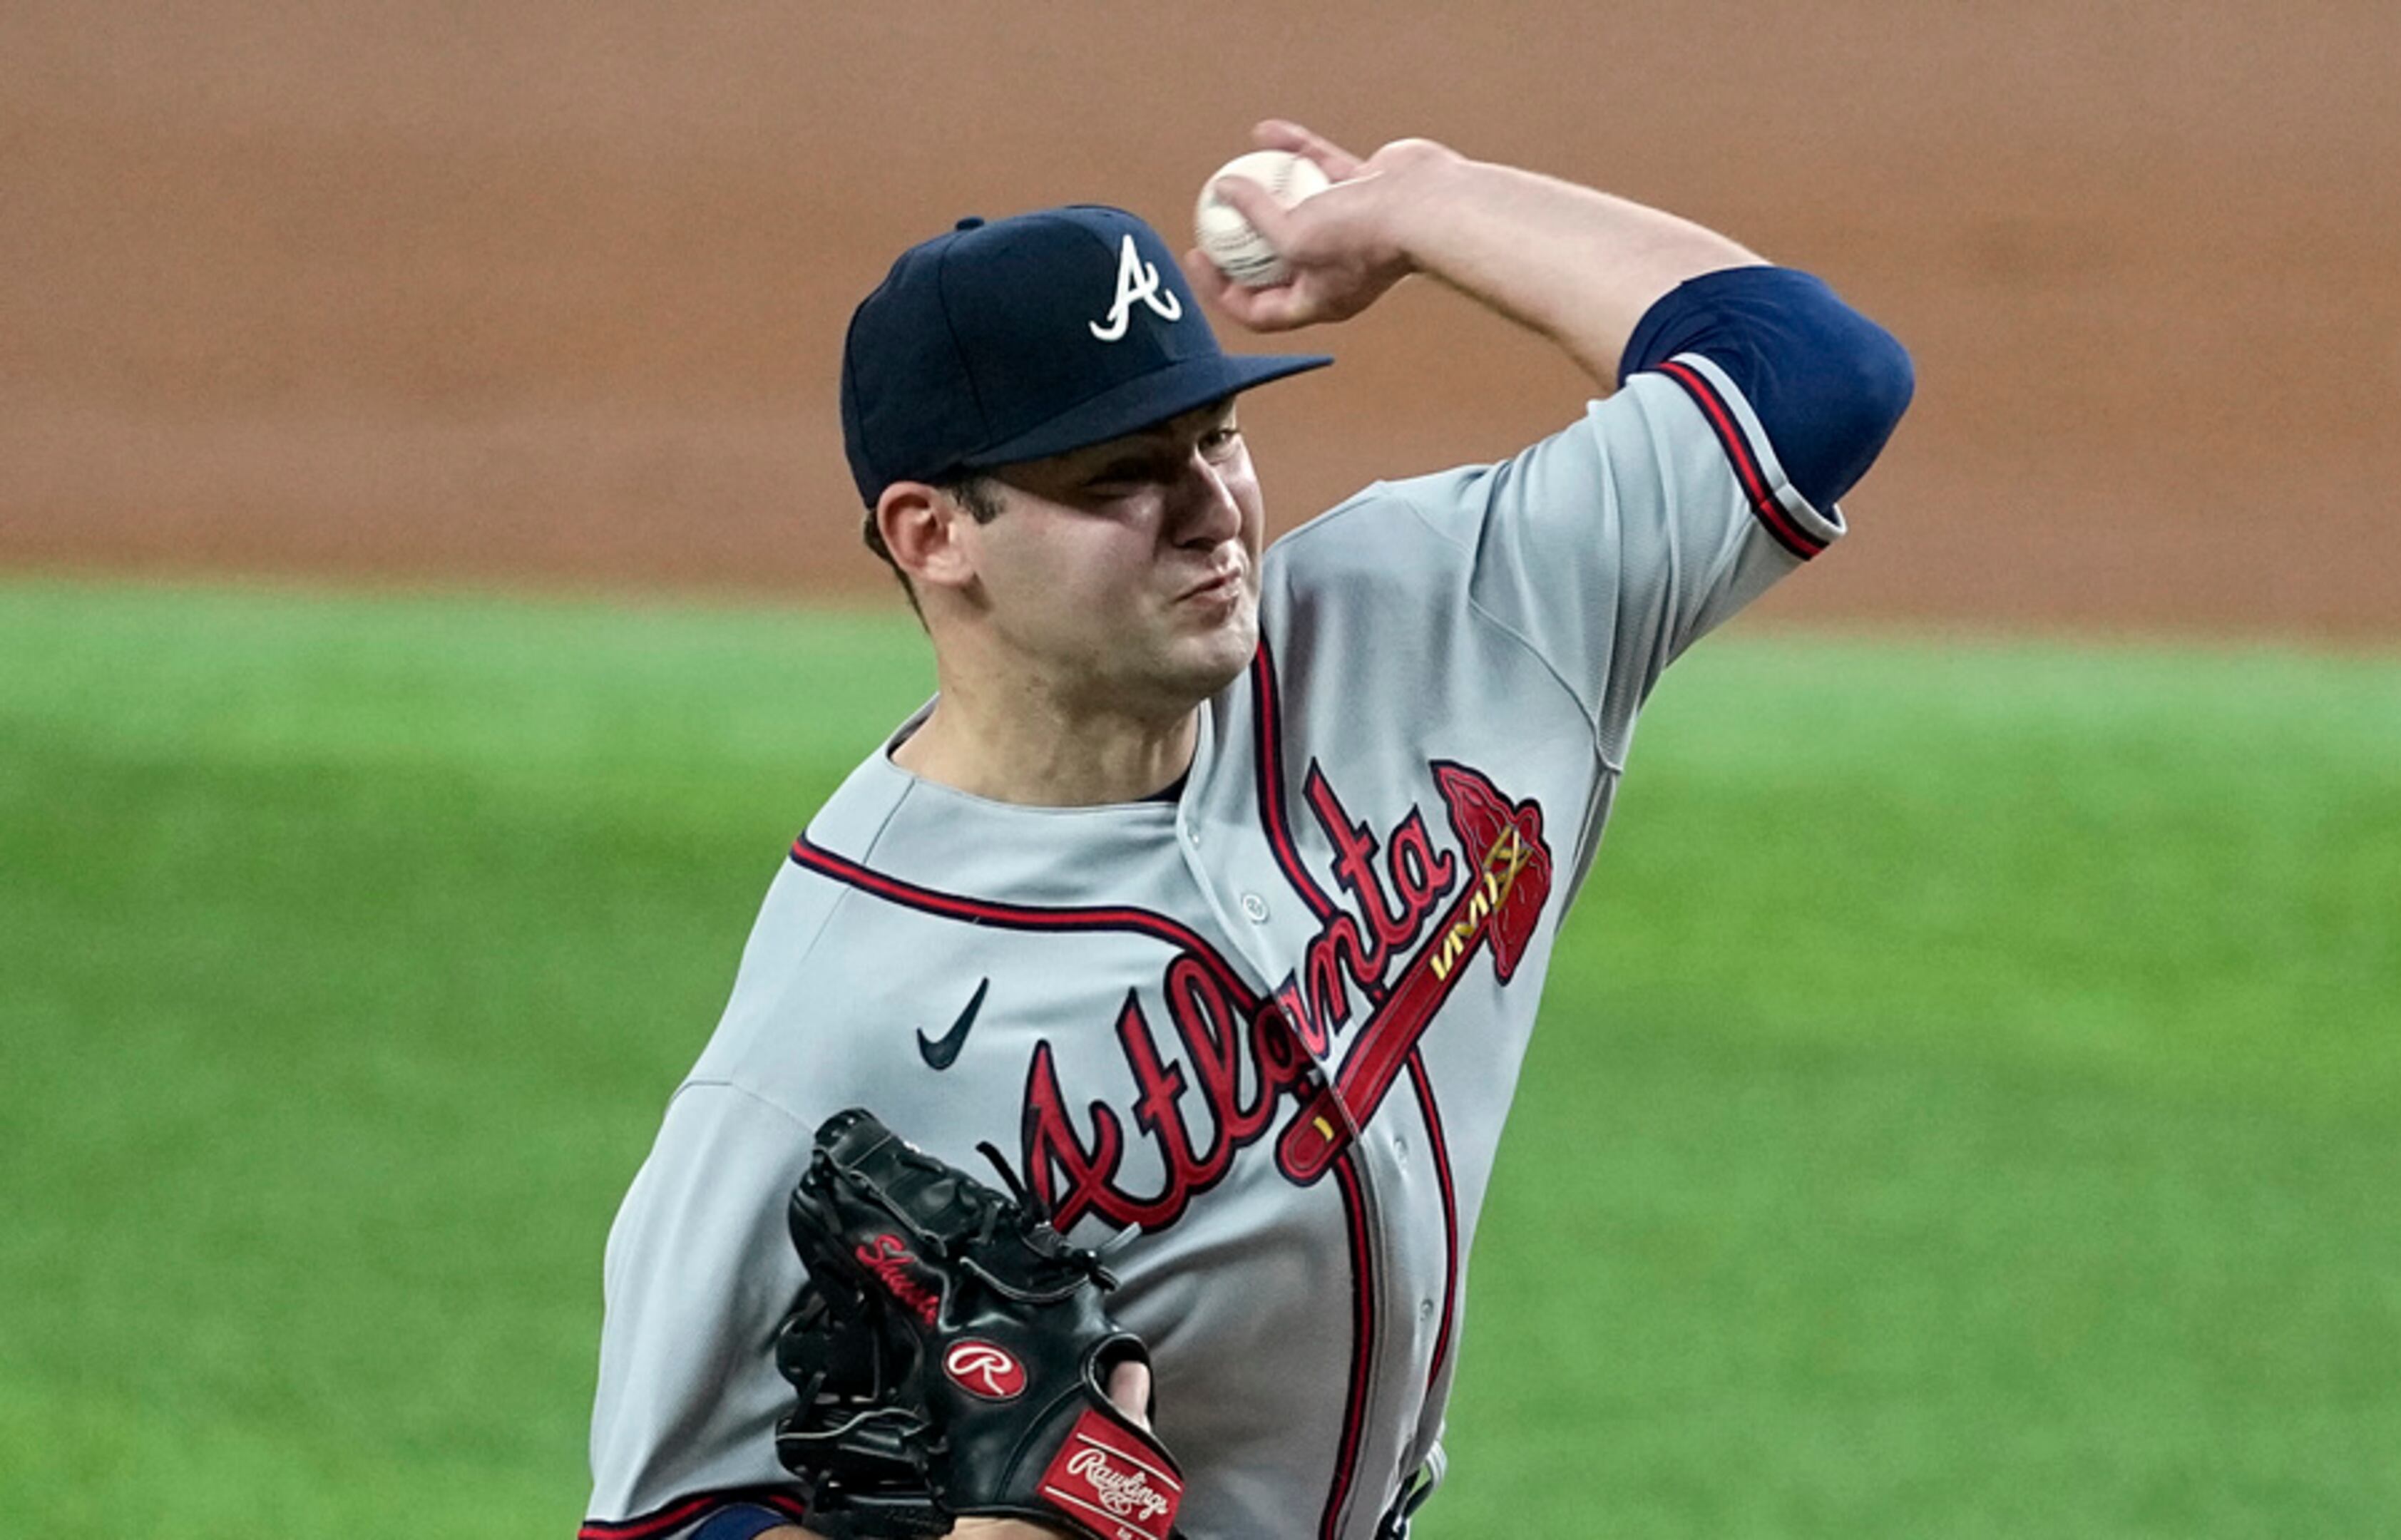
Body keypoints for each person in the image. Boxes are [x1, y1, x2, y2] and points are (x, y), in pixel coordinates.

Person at [582, 120, 1913, 1540]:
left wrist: (1424, 206)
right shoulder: (823, 1042)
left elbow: (1815, 374)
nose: (1213, 509)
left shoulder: (1428, 622)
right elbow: (664, 1520)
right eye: (1122, 477)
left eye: (1218, 434)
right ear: (931, 534)